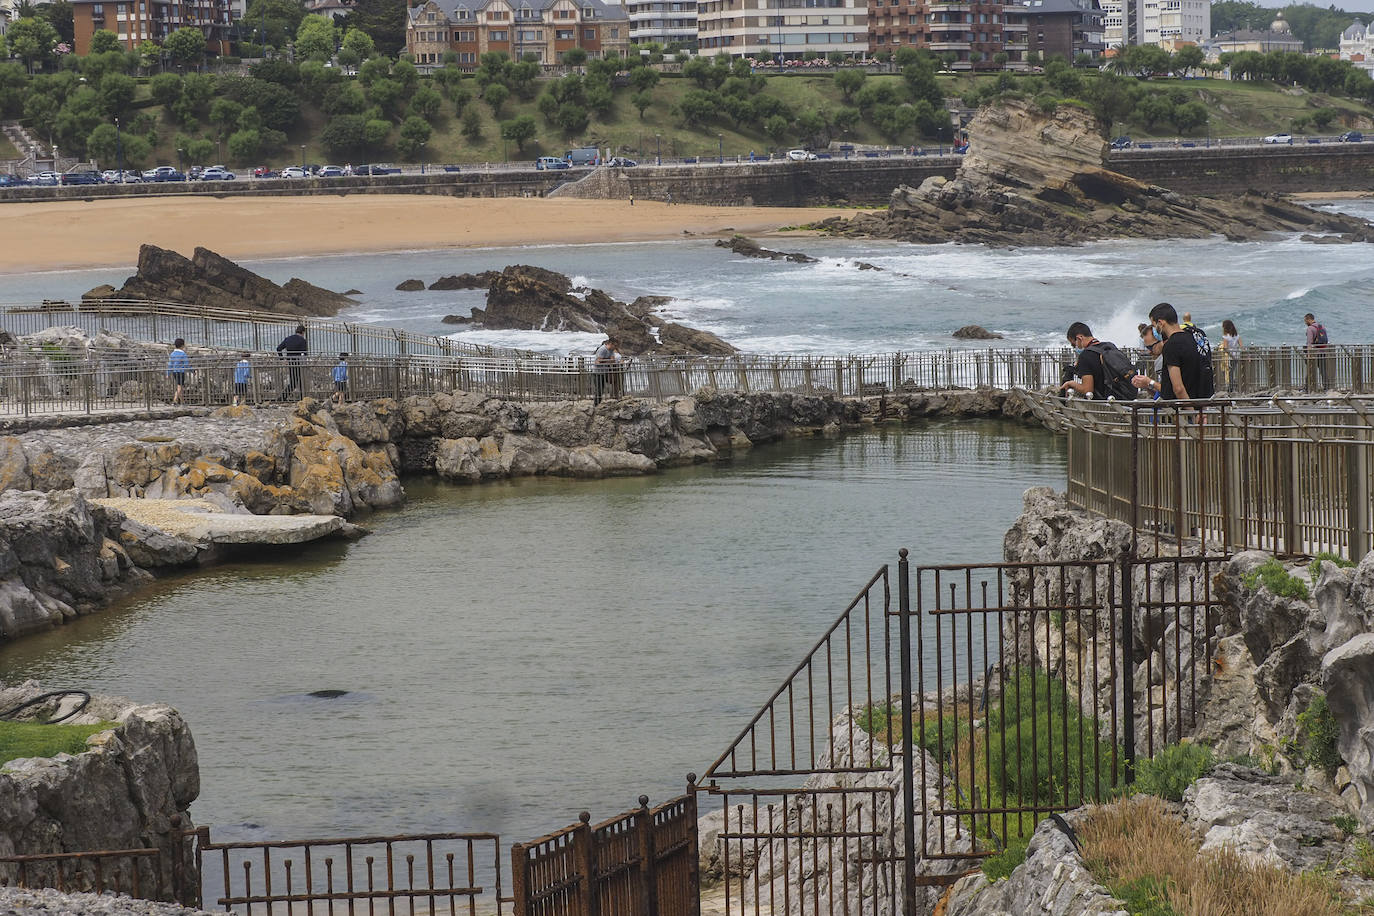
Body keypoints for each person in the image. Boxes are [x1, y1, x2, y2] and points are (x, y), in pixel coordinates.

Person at [1149, 302, 1213, 401]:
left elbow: (1178, 388)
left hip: (1184, 409)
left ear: (1160, 323)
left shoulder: (1171, 345)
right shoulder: (1198, 334)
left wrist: (1191, 412)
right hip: (1205, 402)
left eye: (1154, 325)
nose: (1155, 330)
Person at [1060, 322, 1136, 400]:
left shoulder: (1085, 356)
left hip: (1104, 404)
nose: (1075, 348)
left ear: (1079, 338)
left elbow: (1087, 389)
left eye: (1074, 344)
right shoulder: (1109, 346)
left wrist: (1071, 383)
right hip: (1124, 396)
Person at [1131, 325, 1167, 398]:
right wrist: (1146, 386)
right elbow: (1162, 393)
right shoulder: (1160, 360)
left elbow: (1170, 392)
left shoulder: (1166, 360)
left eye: (1150, 347)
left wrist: (1149, 382)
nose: (1149, 352)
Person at [276, 324, 307, 401]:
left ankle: (284, 397)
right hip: (298, 363)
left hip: (290, 362)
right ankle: (284, 397)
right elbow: (305, 353)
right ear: (303, 332)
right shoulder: (302, 340)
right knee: (299, 381)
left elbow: (278, 348)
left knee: (294, 381)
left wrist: (282, 359)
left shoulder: (288, 339)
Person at [1305, 313, 1330, 390]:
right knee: (1323, 371)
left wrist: (1308, 354)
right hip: (1323, 352)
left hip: (1314, 353)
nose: (1305, 322)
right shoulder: (1321, 327)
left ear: (1309, 319)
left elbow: (1309, 343)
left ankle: (1307, 387)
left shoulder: (1310, 328)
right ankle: (1327, 387)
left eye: (1305, 320)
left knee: (1310, 370)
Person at [592, 336, 619, 406]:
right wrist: (608, 360)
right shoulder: (603, 349)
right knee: (599, 390)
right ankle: (596, 405)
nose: (615, 347)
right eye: (615, 345)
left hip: (604, 372)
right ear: (610, 343)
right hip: (597, 373)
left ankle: (599, 403)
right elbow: (598, 361)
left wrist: (605, 360)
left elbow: (613, 360)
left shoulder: (611, 351)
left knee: (603, 388)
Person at [1218, 320, 1242, 392]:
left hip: (1230, 357)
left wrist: (1230, 355)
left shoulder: (1226, 337)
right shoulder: (1237, 336)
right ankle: (1232, 386)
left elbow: (1225, 348)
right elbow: (1241, 346)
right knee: (1232, 372)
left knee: (1228, 372)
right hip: (1237, 356)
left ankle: (1230, 388)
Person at [166, 338, 189, 404]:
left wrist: (168, 373)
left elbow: (170, 364)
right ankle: (175, 400)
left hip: (174, 372)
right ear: (182, 346)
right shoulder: (183, 354)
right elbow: (186, 364)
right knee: (180, 386)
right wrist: (193, 371)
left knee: (180, 386)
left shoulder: (172, 354)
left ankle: (182, 401)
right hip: (181, 372)